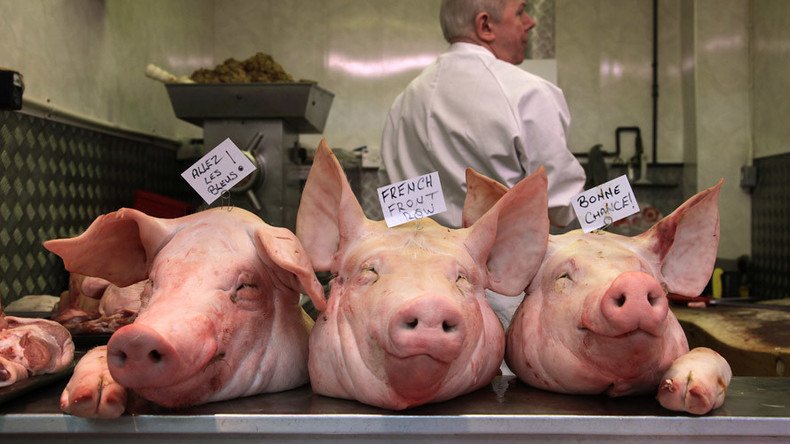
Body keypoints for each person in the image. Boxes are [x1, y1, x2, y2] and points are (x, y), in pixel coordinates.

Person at [380, 0, 586, 229]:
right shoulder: (527, 94)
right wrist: (620, 203)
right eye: (520, 12)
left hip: (416, 261)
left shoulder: (403, 103)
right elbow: (563, 207)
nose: (531, 21)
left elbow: (397, 205)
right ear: (485, 25)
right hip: (498, 263)